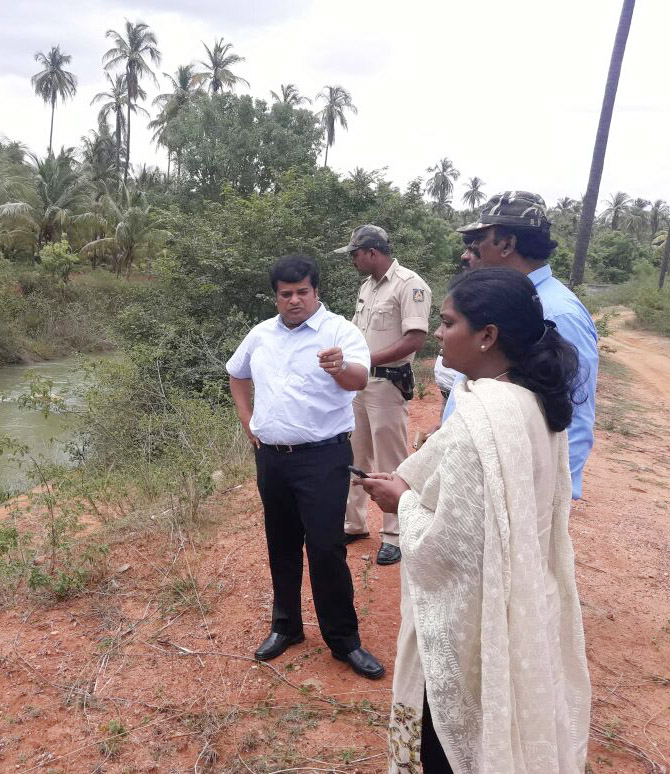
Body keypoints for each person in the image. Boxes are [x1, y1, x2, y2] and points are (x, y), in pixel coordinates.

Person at [356, 268, 591, 773]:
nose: (438, 333)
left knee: (456, 742)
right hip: (520, 599)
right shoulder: (534, 403)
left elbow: (454, 549)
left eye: (448, 322)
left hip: (475, 628)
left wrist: (403, 504)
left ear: (487, 336)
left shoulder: (482, 420)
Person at [226, 254, 384, 679]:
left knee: (325, 548)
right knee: (280, 543)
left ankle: (344, 640)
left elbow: (359, 379)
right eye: (285, 294)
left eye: (302, 292)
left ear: (316, 292)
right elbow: (236, 375)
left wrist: (339, 367)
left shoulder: (339, 332)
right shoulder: (260, 335)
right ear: (276, 296)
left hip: (323, 457)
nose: (294, 300)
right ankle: (286, 627)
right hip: (272, 458)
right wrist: (247, 421)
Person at [443, 190, 598, 499]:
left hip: (511, 494)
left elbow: (575, 415)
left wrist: (542, 501)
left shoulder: (556, 312)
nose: (471, 252)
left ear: (507, 244)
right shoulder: (504, 300)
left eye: (480, 241)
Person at [335, 225, 432, 565]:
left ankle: (395, 534)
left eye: (355, 254)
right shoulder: (367, 287)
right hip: (360, 385)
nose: (352, 261)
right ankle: (354, 522)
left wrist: (365, 359)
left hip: (388, 384)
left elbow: (415, 339)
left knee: (391, 460)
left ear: (372, 252)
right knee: (356, 455)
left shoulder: (410, 285)